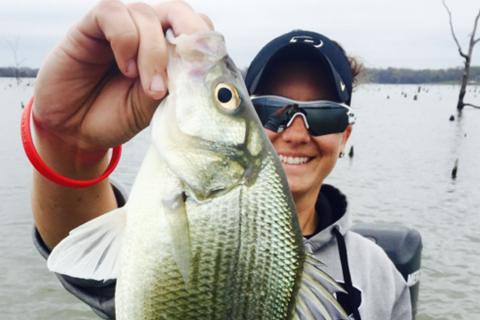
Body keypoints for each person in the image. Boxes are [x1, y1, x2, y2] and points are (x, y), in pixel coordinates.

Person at [29, 1, 411, 319]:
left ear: (345, 134)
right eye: (273, 110)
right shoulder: (158, 212)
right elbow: (75, 245)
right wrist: (70, 145)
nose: (296, 132)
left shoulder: (381, 276)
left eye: (325, 114)